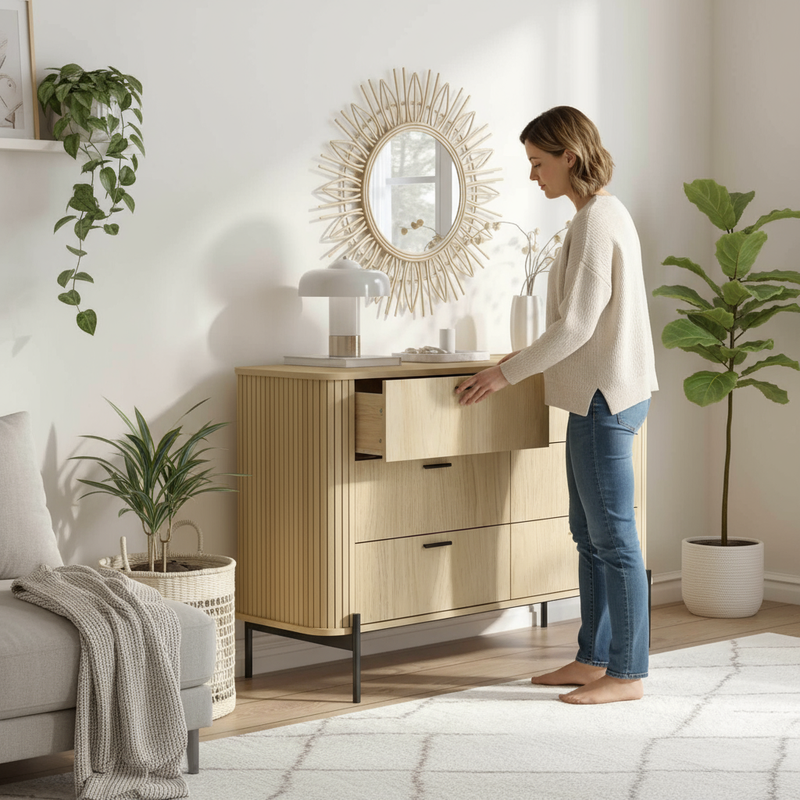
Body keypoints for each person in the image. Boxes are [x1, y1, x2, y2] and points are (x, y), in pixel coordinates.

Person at [456, 106, 658, 705]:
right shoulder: (599, 216)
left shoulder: (597, 220)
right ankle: (594, 659)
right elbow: (581, 326)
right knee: (590, 536)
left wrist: (505, 372)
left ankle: (627, 674)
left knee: (613, 540)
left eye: (538, 163)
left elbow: (575, 324)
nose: (533, 175)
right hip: (600, 394)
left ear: (569, 157)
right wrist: (524, 355)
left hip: (603, 399)